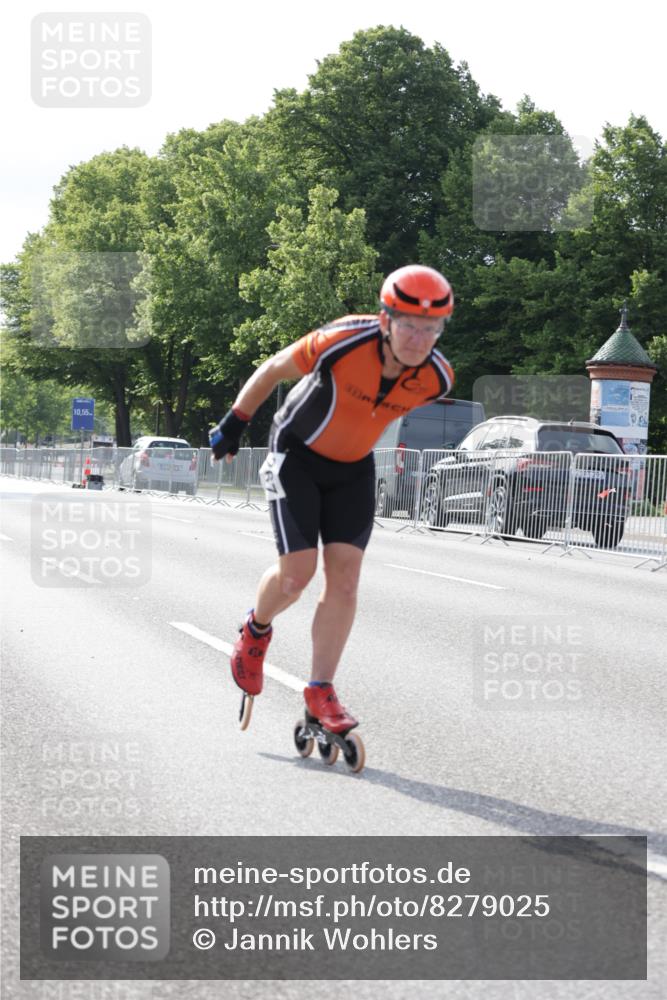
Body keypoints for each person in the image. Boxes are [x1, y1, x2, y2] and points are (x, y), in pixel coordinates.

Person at [209, 264, 455, 733]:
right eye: (408, 325)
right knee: (295, 578)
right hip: (296, 456)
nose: (419, 339)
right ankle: (255, 631)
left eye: (431, 329)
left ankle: (320, 688)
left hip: (353, 470)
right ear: (386, 320)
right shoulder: (342, 340)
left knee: (344, 581)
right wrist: (235, 421)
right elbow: (273, 368)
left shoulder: (438, 378)